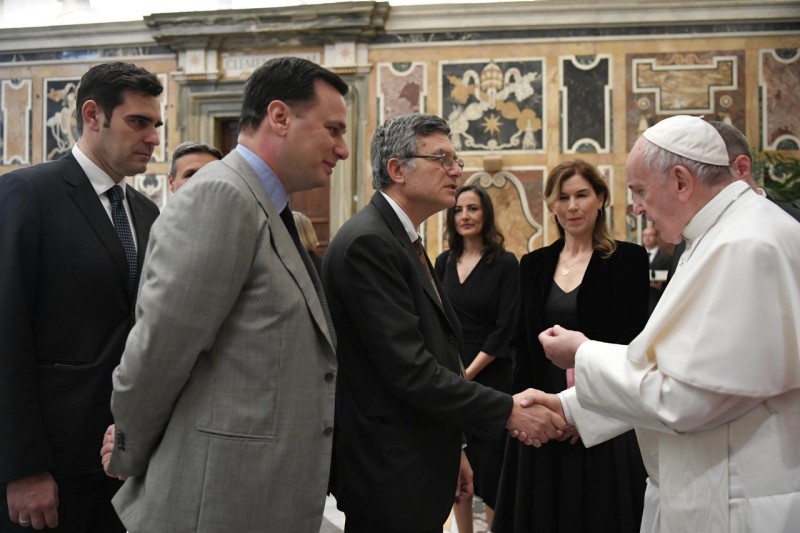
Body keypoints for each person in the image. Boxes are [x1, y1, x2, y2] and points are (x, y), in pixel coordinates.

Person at [101, 57, 347, 532]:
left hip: (257, 495)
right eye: (332, 129)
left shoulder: (265, 204)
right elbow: (160, 350)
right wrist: (128, 448)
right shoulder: (221, 196)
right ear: (279, 117)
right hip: (217, 501)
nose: (342, 148)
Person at [536, 115, 800, 532]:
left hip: (738, 500)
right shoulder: (715, 236)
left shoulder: (746, 245)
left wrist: (582, 354)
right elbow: (678, 367)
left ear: (680, 181)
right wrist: (572, 405)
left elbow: (689, 398)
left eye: (640, 190)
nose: (636, 207)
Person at [321, 113, 566, 533]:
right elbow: (410, 370)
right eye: (442, 159)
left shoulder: (400, 238)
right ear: (397, 169)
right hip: (389, 468)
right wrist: (507, 409)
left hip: (417, 458)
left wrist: (456, 446)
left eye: (456, 160)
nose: (457, 171)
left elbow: (439, 350)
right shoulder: (370, 242)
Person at [0, 62, 163, 532]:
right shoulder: (27, 195)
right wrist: (23, 467)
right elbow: (6, 336)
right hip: (49, 468)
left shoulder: (146, 212)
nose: (153, 137)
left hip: (124, 464)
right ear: (93, 115)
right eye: (138, 122)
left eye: (156, 124)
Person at [493, 159, 649, 533]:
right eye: (563, 197)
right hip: (542, 418)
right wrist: (528, 409)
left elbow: (631, 345)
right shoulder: (533, 263)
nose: (573, 206)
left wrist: (584, 411)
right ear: (551, 205)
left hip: (602, 415)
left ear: (601, 199)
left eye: (582, 195)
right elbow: (520, 344)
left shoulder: (626, 259)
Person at [433, 185, 519, 533]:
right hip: (452, 378)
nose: (465, 216)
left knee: (493, 470)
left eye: (472, 208)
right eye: (458, 210)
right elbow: (435, 321)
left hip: (490, 377)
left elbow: (504, 328)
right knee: (457, 469)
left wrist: (466, 373)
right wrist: (452, 374)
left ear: (486, 214)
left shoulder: (505, 263)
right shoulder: (443, 262)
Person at [642, 226, 671, 315]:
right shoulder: (636, 256)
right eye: (644, 235)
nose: (647, 238)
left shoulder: (666, 258)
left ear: (657, 237)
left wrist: (660, 285)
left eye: (650, 235)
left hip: (657, 302)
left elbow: (670, 279)